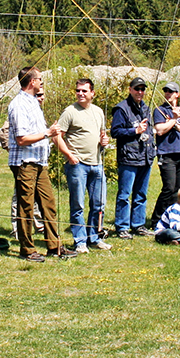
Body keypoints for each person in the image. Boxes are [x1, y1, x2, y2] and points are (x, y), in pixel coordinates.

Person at [7, 68, 73, 261]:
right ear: (32, 82)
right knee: (26, 206)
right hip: (25, 163)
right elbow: (21, 138)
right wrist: (48, 133)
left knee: (48, 203)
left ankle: (54, 246)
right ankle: (27, 250)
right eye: (40, 80)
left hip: (39, 162)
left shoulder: (34, 103)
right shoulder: (19, 104)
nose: (42, 83)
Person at [53, 78, 112, 254]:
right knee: (78, 204)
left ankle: (94, 238)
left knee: (98, 204)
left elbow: (103, 135)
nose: (80, 93)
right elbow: (57, 136)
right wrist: (69, 155)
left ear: (92, 93)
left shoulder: (99, 112)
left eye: (84, 91)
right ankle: (80, 242)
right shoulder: (70, 112)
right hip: (77, 165)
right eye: (78, 90)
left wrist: (105, 141)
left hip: (97, 164)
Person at [111, 77, 156, 239]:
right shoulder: (121, 109)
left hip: (145, 157)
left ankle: (138, 225)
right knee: (125, 194)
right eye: (137, 88)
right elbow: (115, 132)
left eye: (142, 89)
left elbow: (149, 132)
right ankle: (122, 226)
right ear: (130, 89)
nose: (140, 92)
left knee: (141, 194)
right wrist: (134, 131)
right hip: (128, 158)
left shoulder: (145, 108)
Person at [149, 82, 180, 228]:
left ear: (177, 94)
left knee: (178, 189)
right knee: (168, 188)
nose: (168, 94)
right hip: (166, 153)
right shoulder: (160, 110)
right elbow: (160, 130)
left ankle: (173, 217)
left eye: (171, 92)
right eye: (166, 92)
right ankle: (157, 219)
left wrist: (173, 123)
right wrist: (174, 121)